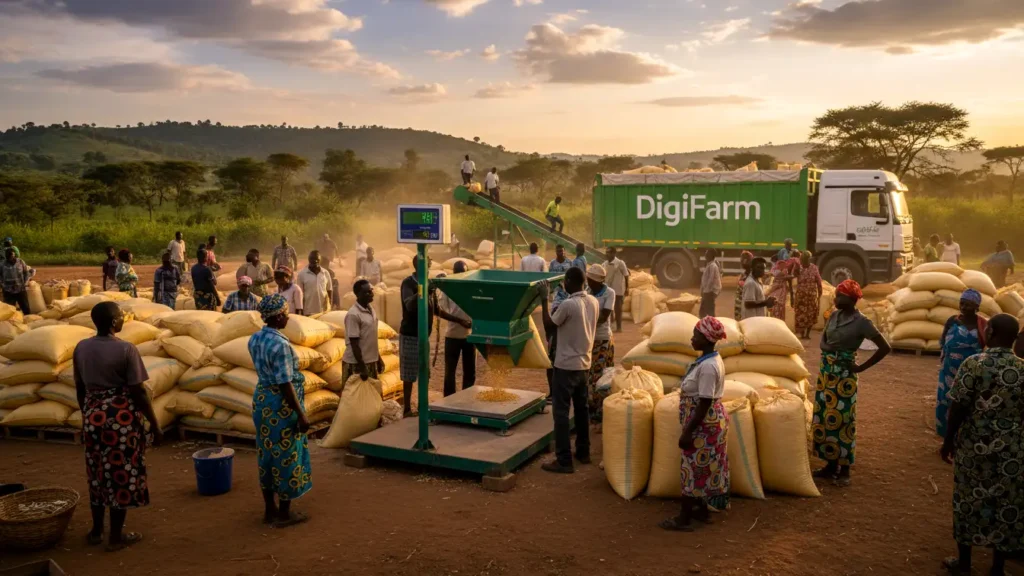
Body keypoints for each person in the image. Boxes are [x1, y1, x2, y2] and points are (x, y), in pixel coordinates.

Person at [941, 314, 1024, 576]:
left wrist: (948, 441)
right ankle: (998, 568)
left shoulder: (974, 364)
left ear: (990, 333)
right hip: (1011, 449)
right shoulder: (1022, 369)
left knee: (968, 499)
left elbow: (958, 407)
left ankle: (964, 562)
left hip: (974, 445)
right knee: (1006, 504)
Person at [74, 302, 161, 551]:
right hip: (120, 421)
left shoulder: (81, 347)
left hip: (93, 418)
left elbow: (80, 389)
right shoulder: (126, 349)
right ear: (114, 322)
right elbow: (139, 392)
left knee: (97, 473)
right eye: (121, 316)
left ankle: (96, 531)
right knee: (121, 474)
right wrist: (154, 425)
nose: (123, 319)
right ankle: (115, 537)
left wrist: (87, 416)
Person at [812, 279, 891, 487]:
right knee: (826, 418)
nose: (836, 299)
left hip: (845, 378)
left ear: (852, 299)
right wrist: (829, 350)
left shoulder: (862, 322)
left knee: (843, 421)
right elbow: (823, 340)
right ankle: (830, 465)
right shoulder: (834, 315)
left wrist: (861, 367)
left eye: (841, 296)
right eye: (836, 295)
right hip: (827, 374)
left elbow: (885, 347)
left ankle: (845, 468)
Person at [249, 294, 312, 528]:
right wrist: (302, 414)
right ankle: (285, 514)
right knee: (287, 455)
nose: (288, 317)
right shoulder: (281, 345)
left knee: (266, 454)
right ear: (278, 316)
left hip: (262, 400)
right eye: (285, 313)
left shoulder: (255, 339)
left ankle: (269, 510)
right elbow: (285, 383)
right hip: (281, 404)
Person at [660, 317, 729, 532]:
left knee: (691, 468)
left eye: (696, 335)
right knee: (703, 468)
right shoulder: (708, 360)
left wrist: (688, 431)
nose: (692, 338)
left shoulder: (708, 367)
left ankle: (684, 518)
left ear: (707, 339)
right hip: (706, 422)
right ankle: (701, 510)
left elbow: (705, 401)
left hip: (703, 424)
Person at [538, 267, 598, 474]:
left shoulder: (568, 305)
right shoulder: (593, 301)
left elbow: (549, 325)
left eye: (565, 281)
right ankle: (583, 451)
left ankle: (563, 460)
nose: (563, 284)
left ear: (571, 281)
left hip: (565, 366)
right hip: (584, 365)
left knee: (561, 413)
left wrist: (543, 300)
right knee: (582, 410)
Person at [399, 255, 464, 415]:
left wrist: (459, 320)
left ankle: (422, 406)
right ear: (417, 266)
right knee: (409, 374)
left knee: (424, 372)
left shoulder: (429, 284)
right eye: (426, 265)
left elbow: (436, 309)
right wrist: (424, 289)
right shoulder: (408, 283)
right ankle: (407, 408)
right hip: (410, 335)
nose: (428, 269)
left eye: (429, 266)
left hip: (423, 336)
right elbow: (409, 305)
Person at [935, 289, 987, 438]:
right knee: (946, 401)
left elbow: (987, 344)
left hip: (972, 369)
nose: (964, 307)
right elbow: (943, 340)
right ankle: (945, 436)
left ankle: (963, 436)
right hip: (949, 370)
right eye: (962, 304)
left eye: (968, 305)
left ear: (977, 307)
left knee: (967, 402)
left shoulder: (983, 324)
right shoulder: (952, 321)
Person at [440, 261, 476, 397]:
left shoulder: (471, 288)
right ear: (454, 273)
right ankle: (449, 399)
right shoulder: (448, 288)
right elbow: (441, 311)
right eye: (458, 272)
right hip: (452, 335)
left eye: (463, 272)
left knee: (470, 371)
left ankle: (467, 397)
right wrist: (460, 321)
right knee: (450, 371)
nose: (461, 275)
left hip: (469, 336)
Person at [585, 264, 615, 422]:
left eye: (589, 280)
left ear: (595, 281)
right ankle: (591, 406)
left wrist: (583, 319)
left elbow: (604, 317)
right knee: (588, 374)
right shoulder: (587, 291)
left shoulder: (609, 293)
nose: (587, 282)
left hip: (602, 338)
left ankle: (599, 410)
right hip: (588, 338)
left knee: (600, 375)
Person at [342, 279, 386, 385]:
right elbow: (354, 343)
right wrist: (362, 367)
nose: (371, 294)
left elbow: (370, 338)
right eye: (367, 292)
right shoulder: (353, 315)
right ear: (358, 295)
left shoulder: (371, 310)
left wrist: (377, 358)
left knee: (371, 397)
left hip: (370, 361)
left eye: (371, 291)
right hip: (356, 364)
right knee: (355, 399)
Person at [794, 251, 823, 339]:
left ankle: (807, 334)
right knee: (801, 314)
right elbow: (793, 277)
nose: (805, 261)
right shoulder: (798, 268)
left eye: (806, 259)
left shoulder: (814, 268)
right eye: (803, 259)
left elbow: (818, 281)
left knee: (810, 314)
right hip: (801, 296)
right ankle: (802, 334)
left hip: (811, 296)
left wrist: (819, 293)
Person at [297, 251, 332, 316]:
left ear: (320, 260)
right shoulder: (302, 274)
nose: (315, 261)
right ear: (309, 260)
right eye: (312, 259)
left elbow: (329, 290)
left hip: (323, 311)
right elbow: (300, 294)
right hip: (308, 311)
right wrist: (300, 310)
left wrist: (330, 306)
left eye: (317, 259)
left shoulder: (325, 273)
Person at [1, 248, 35, 314]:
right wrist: (2, 285)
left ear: (14, 255)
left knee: (25, 308)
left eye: (12, 257)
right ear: (6, 257)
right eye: (9, 258)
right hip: (8, 291)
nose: (11, 259)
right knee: (9, 311)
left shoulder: (20, 262)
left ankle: (28, 320)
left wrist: (25, 282)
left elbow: (26, 273)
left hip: (20, 289)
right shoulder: (2, 265)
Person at [604, 247, 629, 333]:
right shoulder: (604, 264)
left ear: (614, 254)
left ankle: (619, 327)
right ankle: (610, 326)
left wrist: (627, 288)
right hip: (608, 290)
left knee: (618, 309)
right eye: (606, 252)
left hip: (618, 291)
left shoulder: (620, 263)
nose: (607, 254)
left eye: (609, 253)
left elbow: (626, 275)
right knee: (609, 308)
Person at [767, 254, 795, 320]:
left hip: (780, 293)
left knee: (779, 306)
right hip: (778, 293)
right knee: (777, 306)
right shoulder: (778, 272)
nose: (784, 267)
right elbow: (783, 276)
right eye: (782, 265)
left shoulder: (779, 271)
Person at [698, 249, 722, 319]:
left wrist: (705, 292)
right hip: (708, 291)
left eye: (707, 253)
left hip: (711, 291)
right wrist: (702, 290)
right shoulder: (709, 264)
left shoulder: (713, 266)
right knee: (704, 309)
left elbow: (711, 280)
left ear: (711, 256)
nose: (705, 255)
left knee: (708, 310)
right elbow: (705, 279)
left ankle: (711, 324)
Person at [733, 251, 754, 321]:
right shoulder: (744, 275)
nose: (742, 262)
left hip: (745, 311)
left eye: (743, 259)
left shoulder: (751, 276)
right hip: (740, 309)